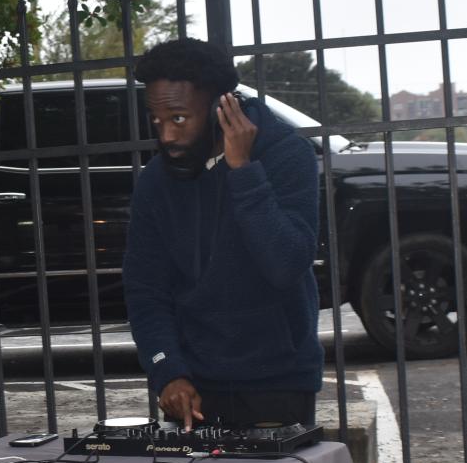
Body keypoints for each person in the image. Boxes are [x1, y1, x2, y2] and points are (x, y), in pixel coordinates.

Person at [122, 37, 322, 429]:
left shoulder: (285, 155)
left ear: (221, 106)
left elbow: (286, 263)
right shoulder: (157, 181)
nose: (166, 136)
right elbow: (146, 288)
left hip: (278, 383)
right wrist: (168, 371)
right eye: (157, 120)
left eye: (179, 118)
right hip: (195, 384)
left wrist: (243, 170)